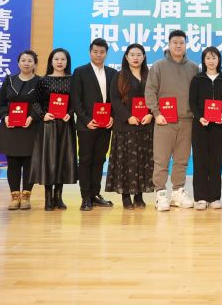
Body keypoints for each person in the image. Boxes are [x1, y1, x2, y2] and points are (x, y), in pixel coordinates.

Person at [145, 30, 199, 212]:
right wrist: (156, 113)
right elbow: (150, 91)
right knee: (161, 159)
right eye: (175, 42)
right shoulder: (158, 66)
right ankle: (160, 193)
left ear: (186, 45)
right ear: (168, 44)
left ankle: (178, 192)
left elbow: (198, 94)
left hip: (187, 121)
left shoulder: (193, 68)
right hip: (164, 121)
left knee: (182, 160)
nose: (178, 45)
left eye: (181, 42)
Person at [105, 43, 154, 209]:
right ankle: (126, 196)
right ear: (126, 57)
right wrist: (128, 117)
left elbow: (156, 96)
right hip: (125, 127)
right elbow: (114, 99)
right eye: (132, 54)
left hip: (145, 126)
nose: (135, 58)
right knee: (125, 161)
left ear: (144, 57)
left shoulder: (150, 75)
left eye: (139, 54)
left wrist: (151, 114)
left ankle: (139, 196)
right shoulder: (119, 76)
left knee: (143, 161)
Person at [71, 38, 118, 211]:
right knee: (85, 160)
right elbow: (76, 99)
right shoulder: (80, 72)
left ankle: (95, 194)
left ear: (106, 53)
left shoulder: (112, 73)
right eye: (95, 52)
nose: (99, 55)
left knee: (99, 159)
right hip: (87, 126)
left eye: (102, 52)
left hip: (105, 125)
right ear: (90, 52)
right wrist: (86, 120)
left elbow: (115, 99)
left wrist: (112, 116)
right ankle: (85, 197)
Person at [0, 50, 41, 210]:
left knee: (29, 163)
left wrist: (32, 116)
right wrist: (5, 116)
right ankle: (14, 197)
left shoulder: (40, 82)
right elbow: (0, 102)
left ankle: (26, 197)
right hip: (11, 127)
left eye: (30, 60)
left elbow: (42, 104)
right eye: (23, 60)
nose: (26, 63)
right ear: (18, 63)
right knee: (13, 163)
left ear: (35, 64)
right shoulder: (9, 80)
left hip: (30, 127)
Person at [31, 48, 78, 211]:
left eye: (63, 59)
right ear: (51, 61)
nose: (59, 62)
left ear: (67, 62)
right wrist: (43, 115)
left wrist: (70, 113)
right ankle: (48, 198)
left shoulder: (73, 80)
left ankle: (59, 197)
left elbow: (77, 102)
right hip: (48, 126)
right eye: (56, 59)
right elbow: (35, 102)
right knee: (49, 160)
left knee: (63, 160)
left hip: (65, 125)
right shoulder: (43, 81)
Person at [188, 46, 222, 211]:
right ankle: (200, 197)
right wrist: (199, 117)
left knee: (216, 161)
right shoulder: (197, 79)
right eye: (208, 58)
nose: (211, 61)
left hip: (219, 126)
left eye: (214, 57)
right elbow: (192, 102)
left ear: (219, 60)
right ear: (203, 61)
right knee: (200, 161)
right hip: (200, 125)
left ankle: (215, 197)